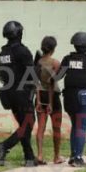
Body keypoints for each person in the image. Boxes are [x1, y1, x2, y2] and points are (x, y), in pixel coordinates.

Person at [0, 20, 38, 167]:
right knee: (28, 123)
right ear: (19, 33)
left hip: (9, 93)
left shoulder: (2, 54)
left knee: (23, 125)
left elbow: (2, 75)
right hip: (22, 93)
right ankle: (4, 146)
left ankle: (29, 158)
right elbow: (30, 74)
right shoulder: (23, 51)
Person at [59, 32, 86, 167]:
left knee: (75, 126)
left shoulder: (67, 59)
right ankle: (78, 158)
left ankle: (73, 156)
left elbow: (58, 76)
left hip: (69, 97)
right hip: (84, 96)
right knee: (81, 127)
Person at [34, 36, 63, 165]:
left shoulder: (38, 63)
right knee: (56, 128)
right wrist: (50, 103)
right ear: (53, 48)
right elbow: (52, 83)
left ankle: (40, 155)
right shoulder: (55, 63)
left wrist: (39, 101)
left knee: (41, 127)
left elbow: (36, 83)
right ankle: (56, 157)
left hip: (40, 95)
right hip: (53, 98)